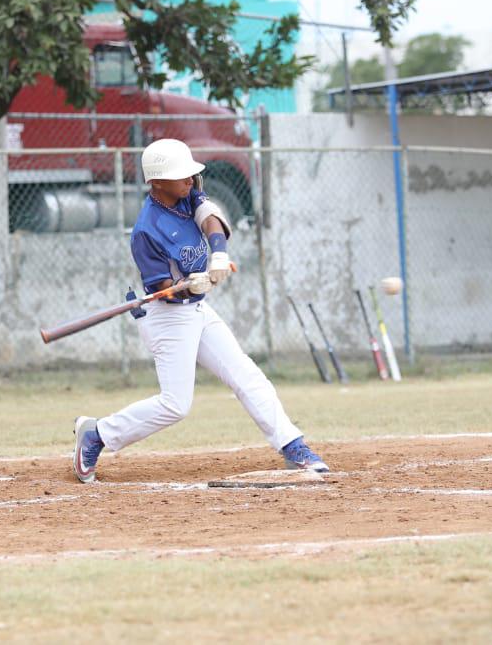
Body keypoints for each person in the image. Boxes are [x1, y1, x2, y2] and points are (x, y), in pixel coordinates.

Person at [72, 138, 328, 482]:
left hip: (197, 308)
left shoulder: (186, 195)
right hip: (167, 317)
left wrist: (218, 254)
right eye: (182, 177)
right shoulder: (146, 231)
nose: (190, 181)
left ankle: (292, 445)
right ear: (157, 182)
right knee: (176, 405)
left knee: (246, 376)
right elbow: (164, 291)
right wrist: (192, 284)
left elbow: (211, 217)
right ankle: (98, 434)